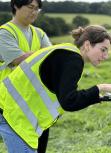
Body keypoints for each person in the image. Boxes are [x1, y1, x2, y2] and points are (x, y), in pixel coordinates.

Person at [0, 25, 111, 153]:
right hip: (13, 115)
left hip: (9, 109)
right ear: (88, 44)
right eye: (103, 50)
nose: (106, 56)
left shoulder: (66, 51)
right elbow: (69, 101)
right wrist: (101, 87)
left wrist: (99, 96)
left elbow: (65, 94)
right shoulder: (73, 59)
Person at [0, 0, 51, 152]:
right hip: (10, 104)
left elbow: (52, 59)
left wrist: (44, 55)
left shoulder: (39, 33)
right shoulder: (5, 33)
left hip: (35, 103)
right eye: (30, 7)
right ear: (16, 6)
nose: (34, 12)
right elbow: (18, 59)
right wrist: (44, 54)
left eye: (37, 9)